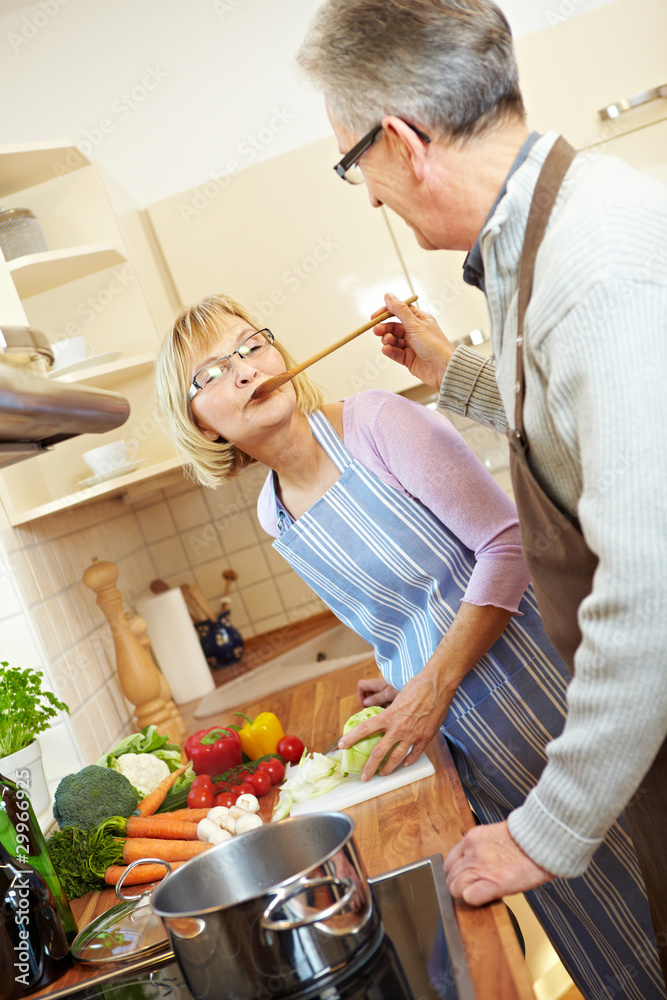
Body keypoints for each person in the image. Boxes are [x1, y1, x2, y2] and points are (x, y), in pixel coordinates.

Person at [296, 0, 667, 980]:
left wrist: (545, 828)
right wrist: (450, 366)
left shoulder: (594, 263)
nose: (368, 199)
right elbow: (573, 413)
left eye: (352, 166)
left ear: (405, 142)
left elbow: (654, 588)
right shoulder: (543, 243)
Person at [155, 292, 665, 1000]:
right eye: (210, 372)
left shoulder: (375, 422)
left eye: (249, 346)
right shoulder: (272, 516)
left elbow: (504, 544)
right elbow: (404, 614)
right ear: (198, 423)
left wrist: (430, 680)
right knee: (591, 927)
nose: (243, 370)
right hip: (466, 743)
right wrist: (407, 678)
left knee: (643, 881)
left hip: (546, 696)